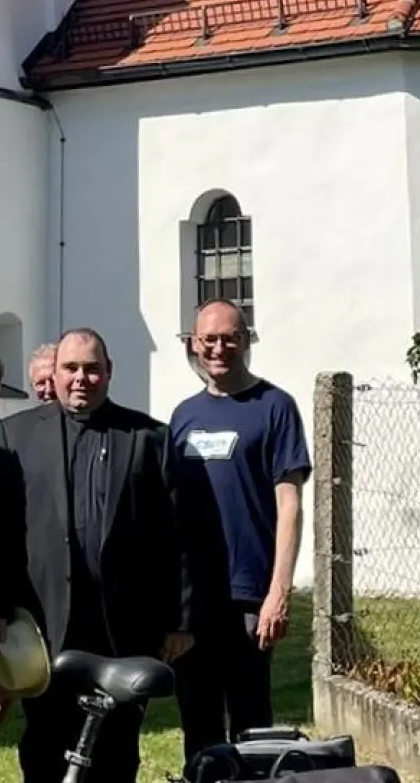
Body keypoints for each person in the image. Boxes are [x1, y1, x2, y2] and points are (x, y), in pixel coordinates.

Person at [0, 328, 195, 783]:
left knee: (117, 750)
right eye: (71, 368)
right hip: (45, 622)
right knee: (43, 746)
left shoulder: (148, 437)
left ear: (108, 372)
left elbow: (177, 535)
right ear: (54, 374)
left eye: (91, 368)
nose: (81, 378)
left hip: (123, 626)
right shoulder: (15, 435)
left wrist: (180, 620)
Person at [170, 301, 310, 755]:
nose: (218, 348)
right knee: (198, 727)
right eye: (208, 339)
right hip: (194, 601)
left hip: (248, 594)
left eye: (229, 338)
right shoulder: (183, 416)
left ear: (246, 340)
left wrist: (278, 593)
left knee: (252, 730)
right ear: (193, 344)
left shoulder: (275, 407)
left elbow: (289, 505)